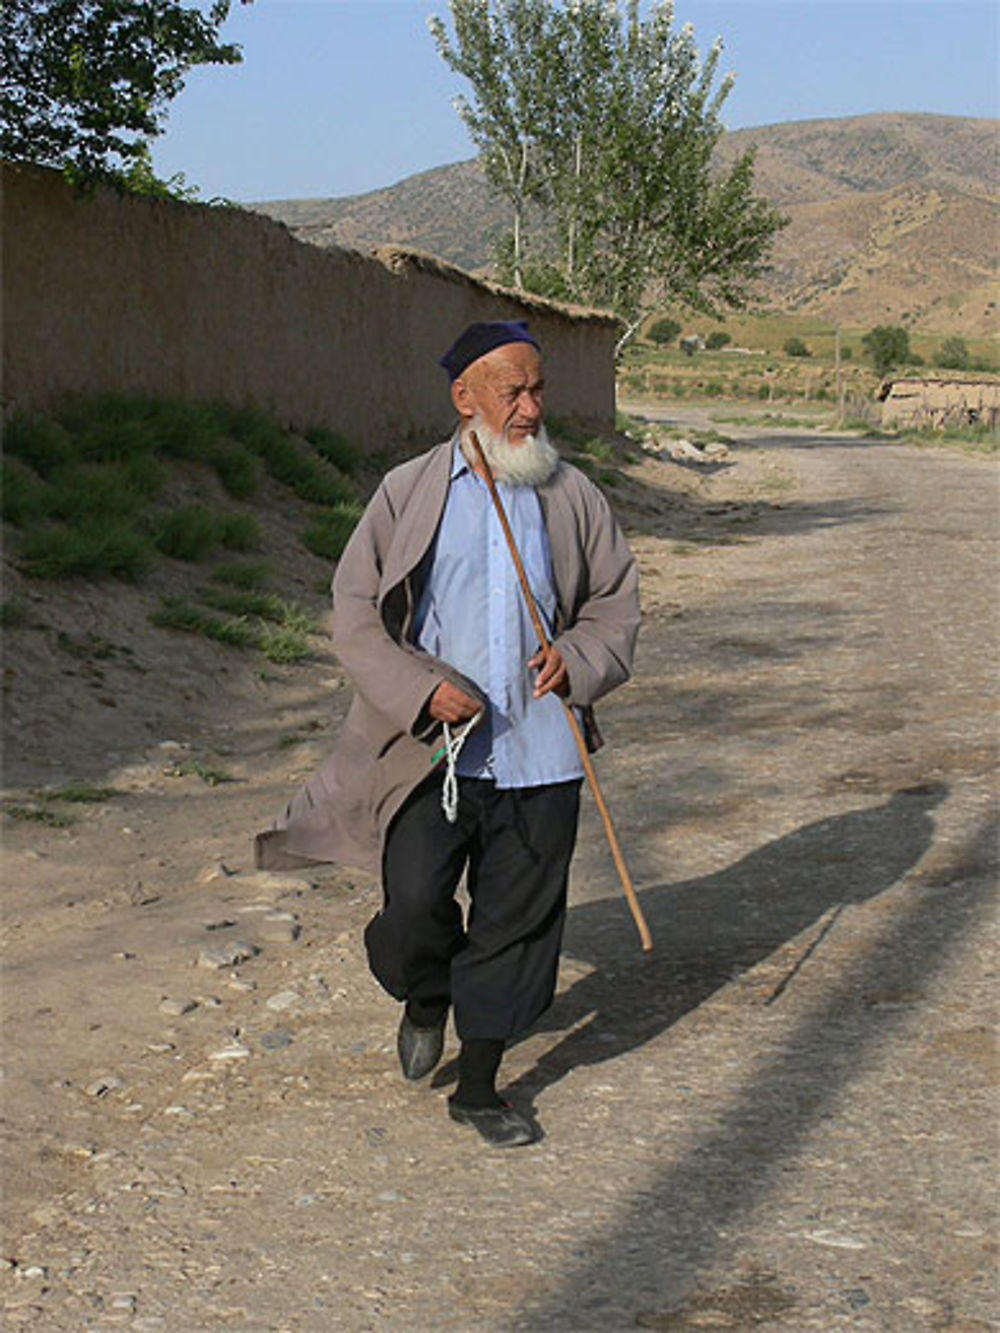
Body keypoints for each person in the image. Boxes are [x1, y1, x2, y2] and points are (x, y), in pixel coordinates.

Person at [256, 319, 639, 1147]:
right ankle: (425, 994)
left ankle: (479, 1085)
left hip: (540, 750)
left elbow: (614, 603)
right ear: (465, 398)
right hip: (432, 751)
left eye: (539, 389)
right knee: (416, 904)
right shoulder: (408, 490)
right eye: (515, 391)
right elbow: (354, 611)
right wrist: (420, 687)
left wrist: (577, 660)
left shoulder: (571, 495)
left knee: (518, 922)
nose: (532, 407)